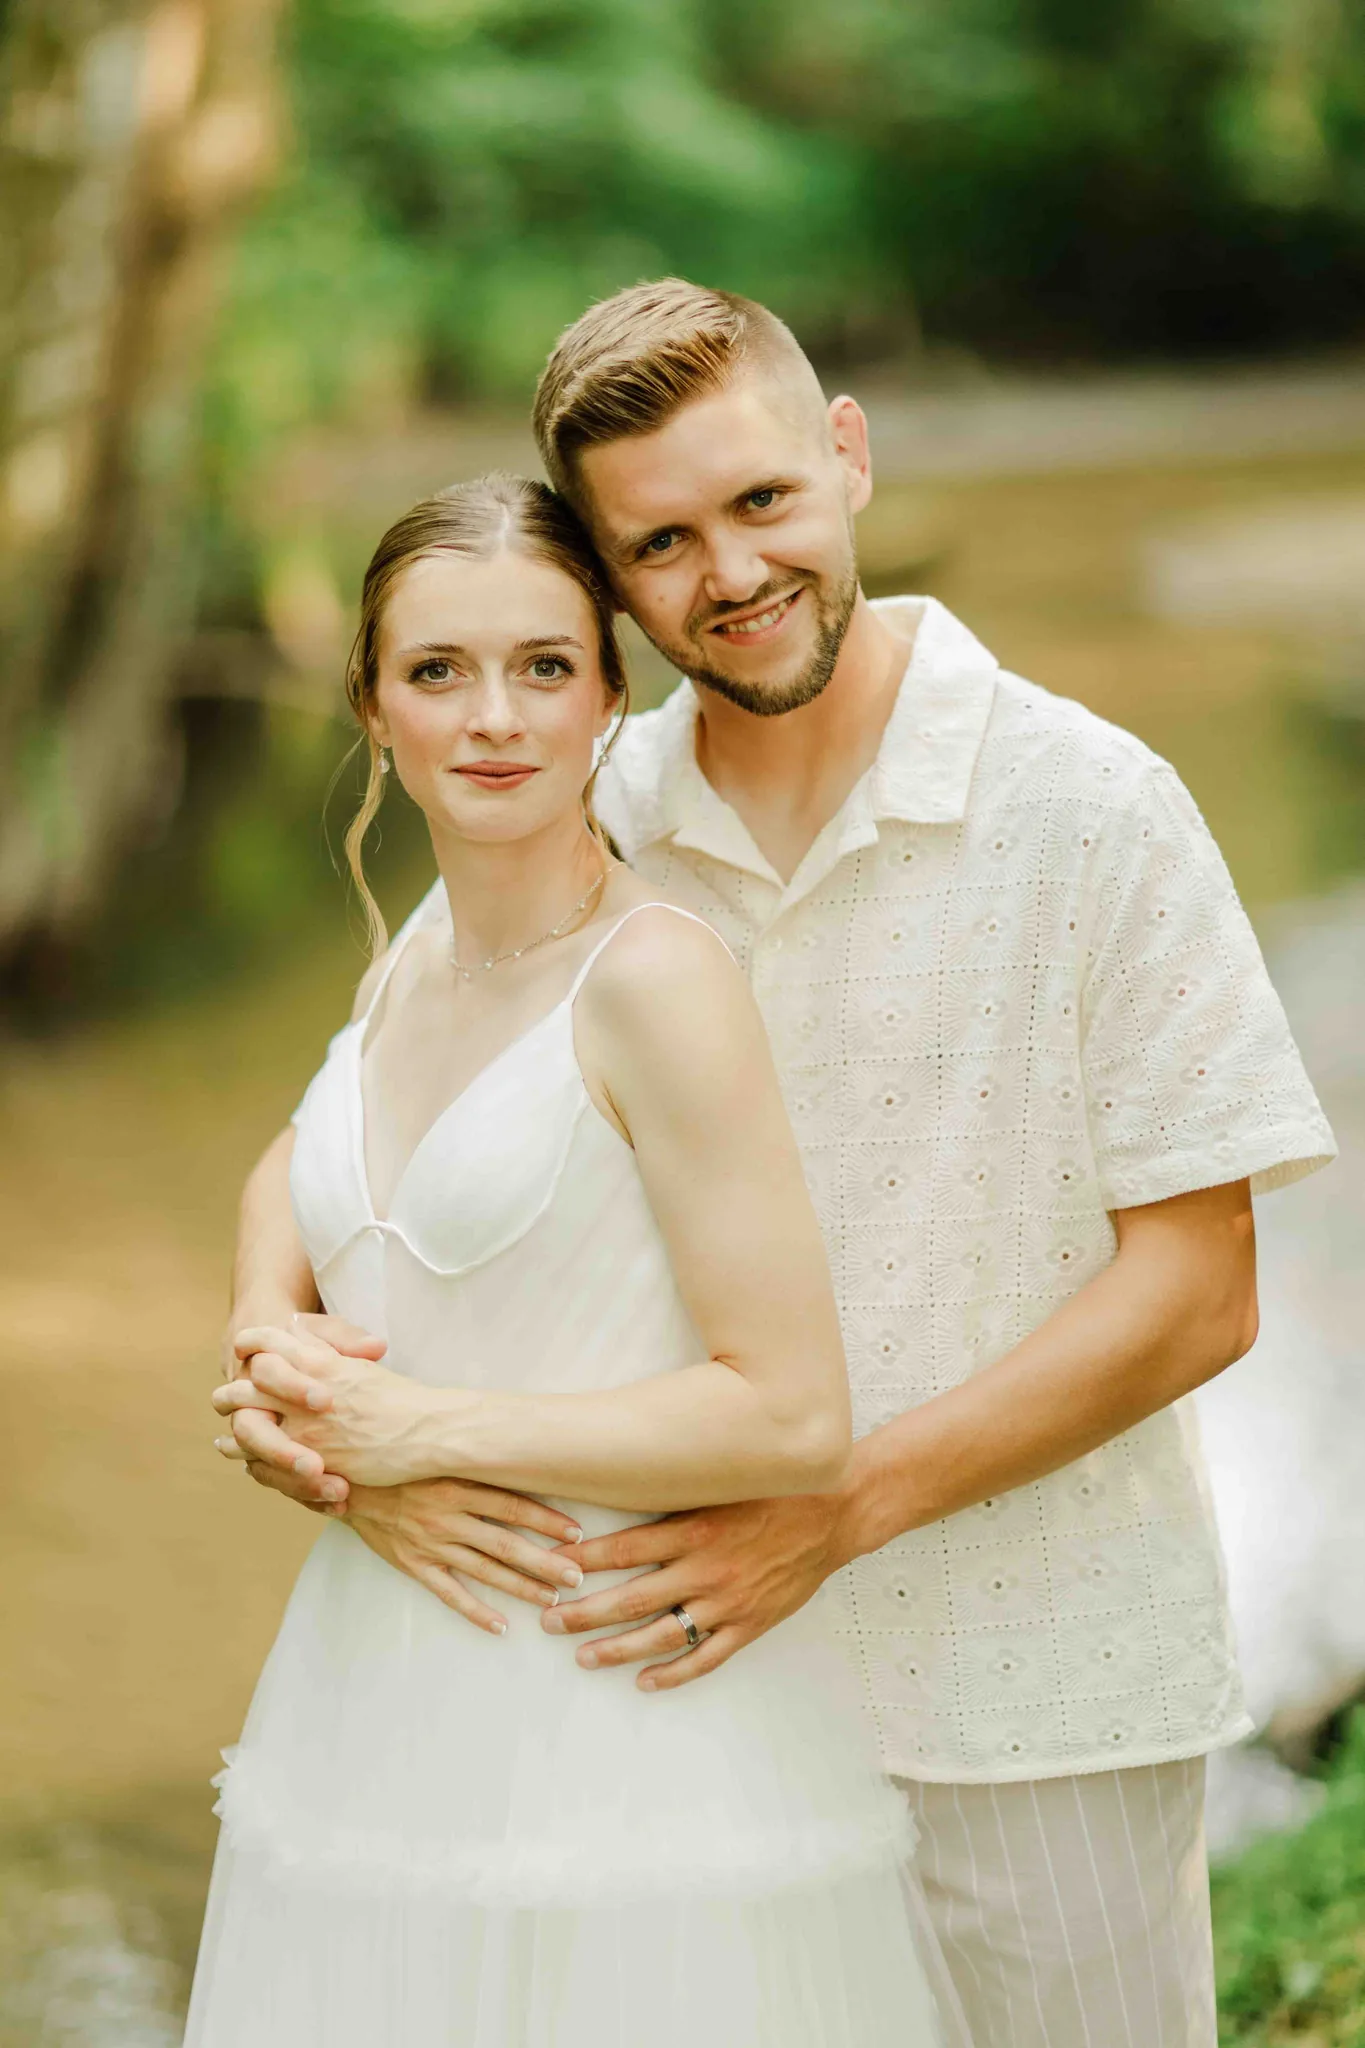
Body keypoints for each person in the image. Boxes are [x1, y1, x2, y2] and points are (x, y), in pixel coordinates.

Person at [226, 283, 1337, 2048]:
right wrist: (302, 1386)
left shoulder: (1093, 809)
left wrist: (840, 1511)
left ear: (849, 456)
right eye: (660, 544)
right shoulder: (583, 801)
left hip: (1028, 1690)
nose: (731, 572)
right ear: (609, 583)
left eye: (761, 501)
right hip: (686, 1719)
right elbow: (352, 1122)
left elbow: (1199, 1294)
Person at [189, 472, 964, 2047]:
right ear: (371, 705)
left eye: (543, 666)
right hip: (363, 1709)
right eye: (439, 670)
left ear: (612, 695)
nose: (495, 718)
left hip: (616, 1738)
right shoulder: (418, 950)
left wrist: (420, 1432)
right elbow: (304, 1158)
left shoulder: (653, 981)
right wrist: (271, 1339)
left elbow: (792, 1413)